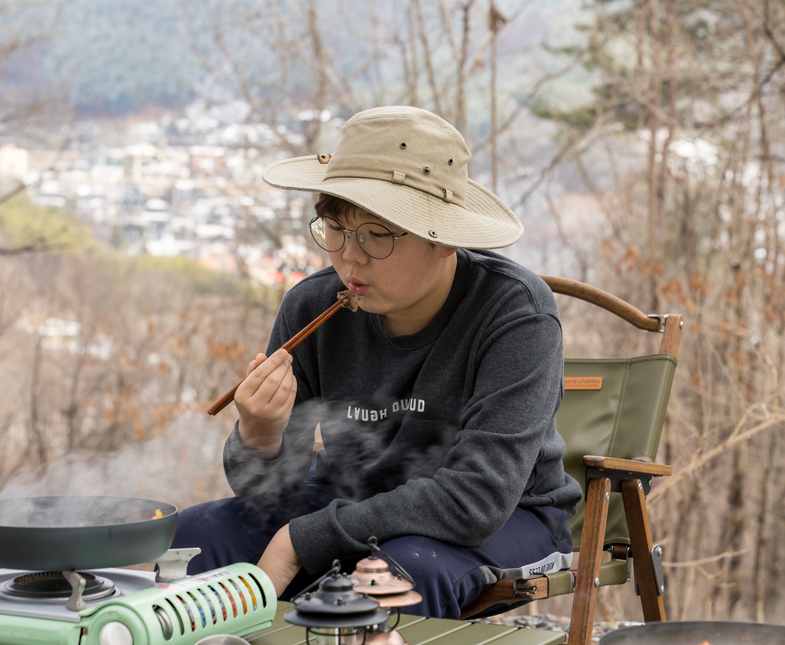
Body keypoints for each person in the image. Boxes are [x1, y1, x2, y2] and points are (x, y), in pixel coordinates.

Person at [172, 106, 582, 619]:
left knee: (392, 579)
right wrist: (259, 435)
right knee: (193, 537)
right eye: (337, 229)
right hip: (352, 496)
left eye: (377, 234)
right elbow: (268, 493)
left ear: (444, 236)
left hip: (505, 517)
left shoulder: (515, 313)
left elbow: (476, 499)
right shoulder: (313, 305)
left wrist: (302, 541)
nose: (351, 258)